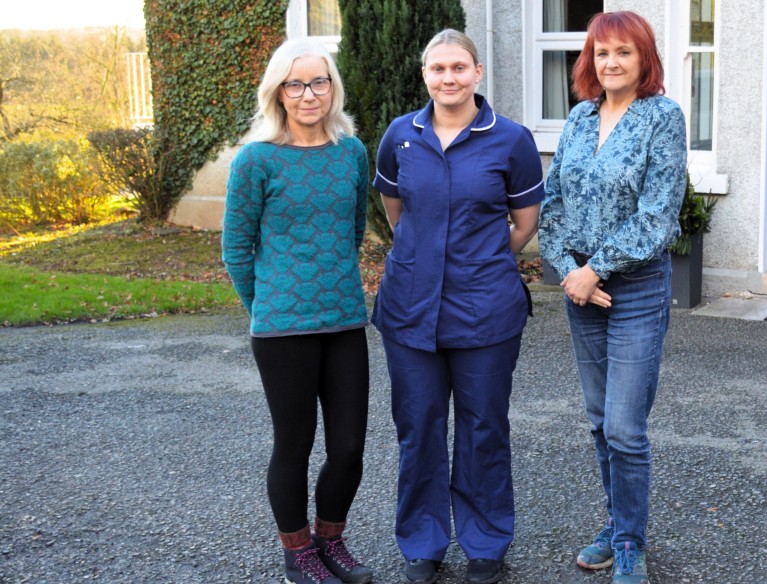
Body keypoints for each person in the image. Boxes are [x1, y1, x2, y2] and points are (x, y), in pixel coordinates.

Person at [372, 29, 544, 584]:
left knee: (483, 427)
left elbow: (524, 224)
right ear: (425, 74)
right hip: (409, 309)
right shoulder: (401, 135)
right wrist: (426, 255)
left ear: (477, 72)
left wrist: (479, 260)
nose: (449, 78)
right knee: (418, 427)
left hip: (486, 310)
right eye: (438, 68)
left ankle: (485, 543)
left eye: (459, 68)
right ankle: (423, 544)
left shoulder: (511, 140)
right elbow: (396, 212)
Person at [537, 11, 687, 584]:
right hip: (581, 289)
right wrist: (571, 271)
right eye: (602, 53)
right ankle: (616, 522)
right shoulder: (579, 118)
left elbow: (658, 215)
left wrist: (596, 269)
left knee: (625, 426)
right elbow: (553, 203)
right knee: (600, 422)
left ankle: (629, 542)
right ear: (590, 61)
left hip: (637, 288)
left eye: (624, 51)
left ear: (644, 58)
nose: (611, 62)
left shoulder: (662, 118)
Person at [222, 38, 373, 584]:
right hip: (282, 329)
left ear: (333, 88)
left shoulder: (351, 152)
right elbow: (236, 249)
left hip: (344, 319)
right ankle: (298, 552)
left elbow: (353, 231)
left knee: (349, 446)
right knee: (294, 444)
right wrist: (266, 306)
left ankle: (330, 540)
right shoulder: (256, 159)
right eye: (295, 84)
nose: (309, 94)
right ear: (278, 92)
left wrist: (329, 283)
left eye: (319, 82)